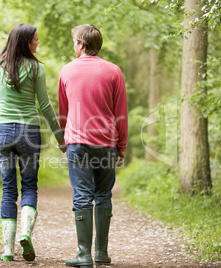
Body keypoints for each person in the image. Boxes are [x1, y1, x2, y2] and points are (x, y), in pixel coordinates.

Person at [0, 23, 65, 262]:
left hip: (4, 132)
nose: (38, 43)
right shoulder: (36, 68)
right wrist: (60, 136)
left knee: (8, 189)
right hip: (29, 132)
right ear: (26, 43)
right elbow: (45, 105)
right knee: (29, 186)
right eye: (35, 40)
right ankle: (26, 234)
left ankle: (8, 250)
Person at [58, 24, 128, 267]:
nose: (73, 46)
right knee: (103, 194)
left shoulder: (66, 71)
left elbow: (63, 112)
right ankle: (101, 253)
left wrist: (63, 139)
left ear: (81, 44)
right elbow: (121, 113)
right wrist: (122, 146)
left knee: (82, 195)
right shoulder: (114, 71)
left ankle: (84, 254)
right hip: (106, 142)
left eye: (74, 42)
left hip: (77, 142)